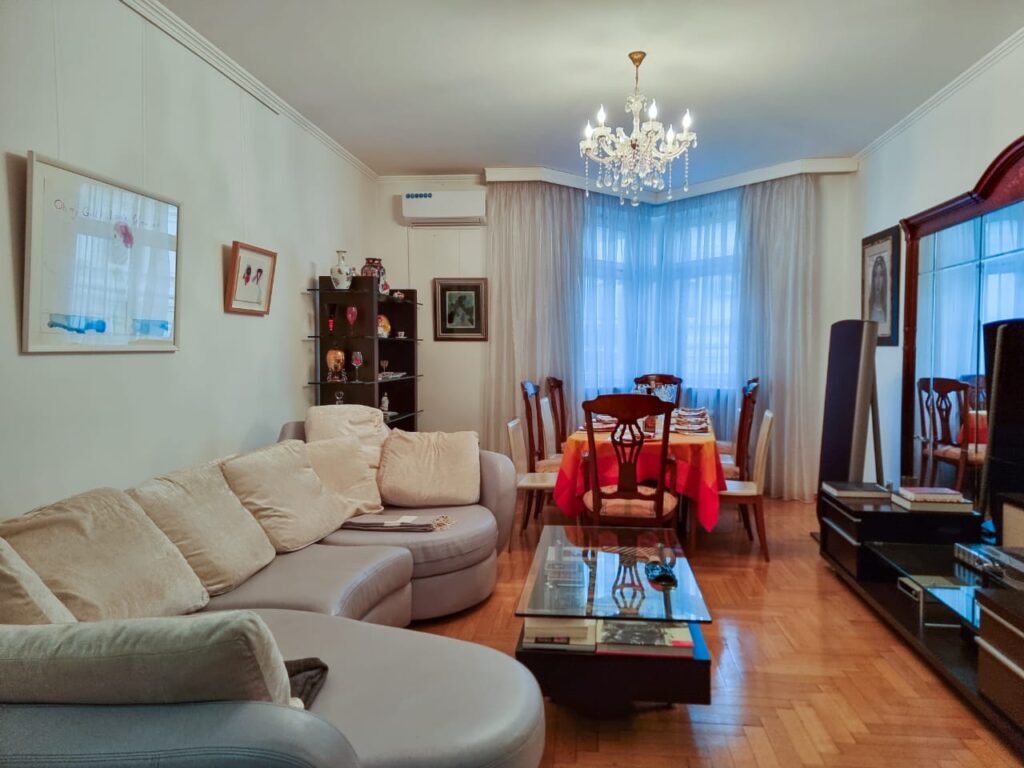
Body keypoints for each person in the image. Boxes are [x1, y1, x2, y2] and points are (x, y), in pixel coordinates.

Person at [868, 255, 888, 326]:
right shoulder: (870, 307)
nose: (878, 280)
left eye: (881, 275)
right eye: (876, 275)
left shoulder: (888, 305)